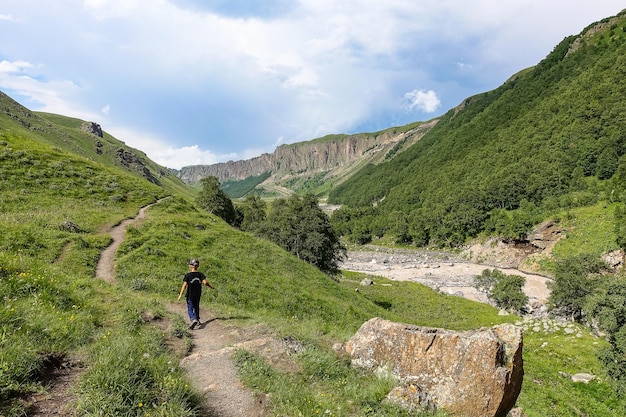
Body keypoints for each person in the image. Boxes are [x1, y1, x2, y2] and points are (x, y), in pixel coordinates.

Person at [178, 258, 215, 329]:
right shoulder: (200, 274)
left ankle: (193, 319)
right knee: (196, 306)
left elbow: (184, 285)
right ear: (197, 266)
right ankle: (197, 319)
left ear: (190, 266)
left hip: (190, 295)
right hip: (198, 294)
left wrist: (180, 294)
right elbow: (205, 282)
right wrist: (211, 287)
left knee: (190, 307)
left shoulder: (188, 275)